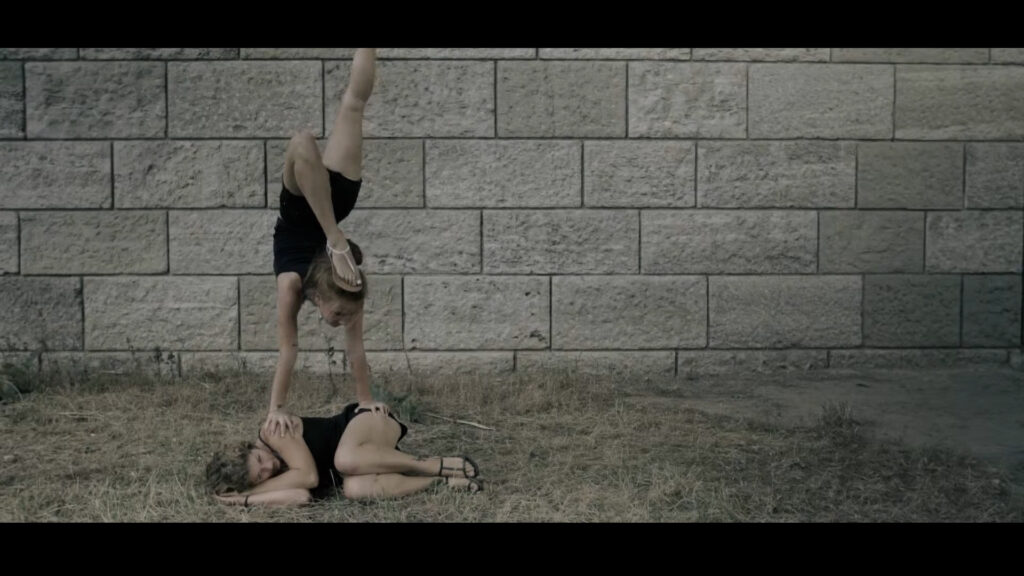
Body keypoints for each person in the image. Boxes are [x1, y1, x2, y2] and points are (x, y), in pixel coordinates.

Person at [267, 48, 376, 438]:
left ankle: (334, 235)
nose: (343, 321)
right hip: (329, 207)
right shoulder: (342, 283)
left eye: (345, 317)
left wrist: (365, 403)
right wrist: (277, 409)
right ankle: (335, 236)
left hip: (305, 201)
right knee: (341, 113)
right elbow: (290, 350)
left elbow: (349, 350)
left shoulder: (296, 286)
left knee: (336, 117)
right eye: (343, 316)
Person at [207, 400, 483, 506]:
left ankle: (430, 464)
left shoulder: (273, 431)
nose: (269, 467)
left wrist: (254, 488)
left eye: (259, 459)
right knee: (354, 489)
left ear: (251, 447)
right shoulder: (269, 480)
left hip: (365, 424)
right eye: (260, 476)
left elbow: (309, 477)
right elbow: (300, 496)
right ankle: (439, 482)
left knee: (344, 459)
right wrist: (246, 499)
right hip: (361, 467)